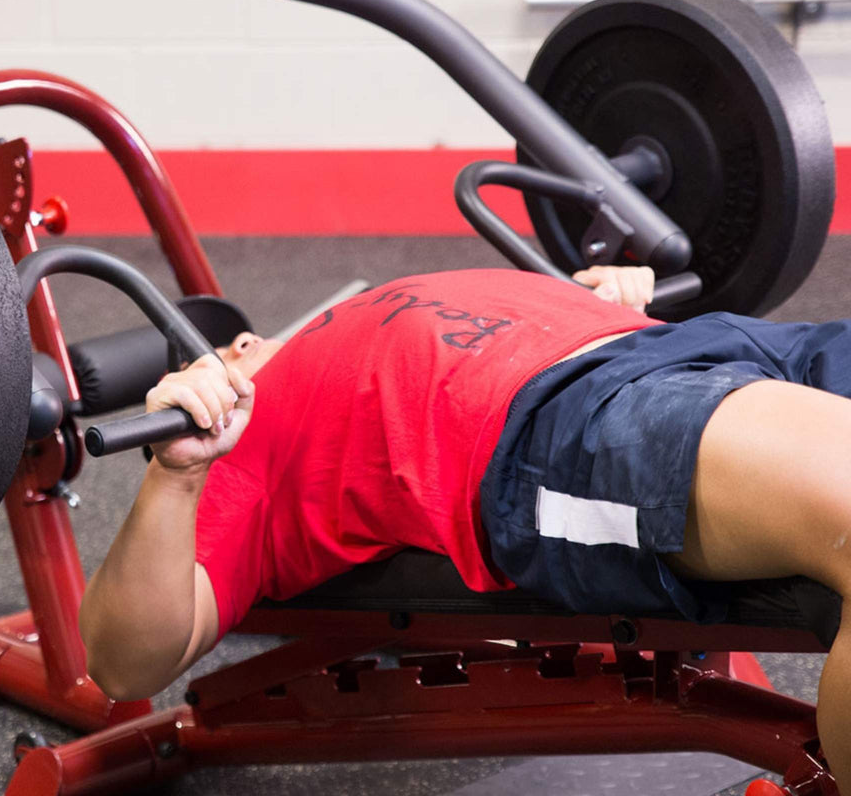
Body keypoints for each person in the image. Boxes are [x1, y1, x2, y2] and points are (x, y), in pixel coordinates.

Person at [80, 264, 851, 794]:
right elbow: (124, 663)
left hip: (696, 345)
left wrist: (598, 293)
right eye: (216, 354)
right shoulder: (234, 448)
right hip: (557, 424)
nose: (238, 346)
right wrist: (175, 473)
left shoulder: (344, 316)